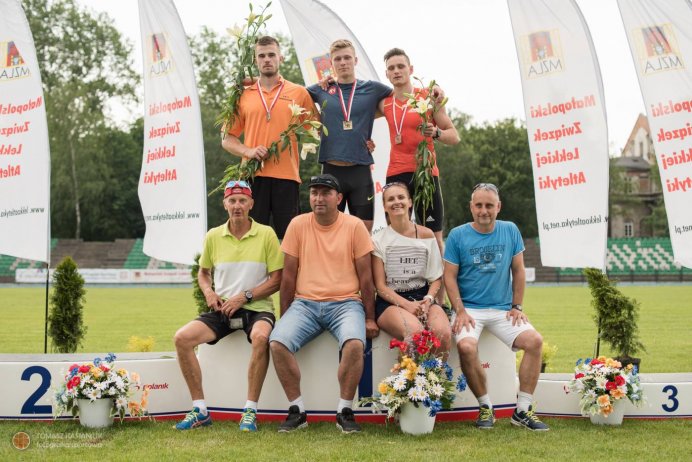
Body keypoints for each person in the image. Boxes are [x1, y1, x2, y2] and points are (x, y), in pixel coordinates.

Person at [269, 173, 378, 433]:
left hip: (346, 304)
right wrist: (285, 316)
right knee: (277, 342)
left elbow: (366, 278)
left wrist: (370, 317)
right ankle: (297, 410)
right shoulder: (297, 224)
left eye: (326, 192)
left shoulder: (354, 226)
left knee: (354, 344)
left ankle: (344, 410)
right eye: (314, 192)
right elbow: (288, 277)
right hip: (304, 304)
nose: (319, 198)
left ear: (339, 198)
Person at [173, 180, 283, 432]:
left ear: (251, 204)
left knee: (261, 338)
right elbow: (203, 273)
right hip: (222, 309)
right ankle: (200, 409)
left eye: (242, 201)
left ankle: (250, 411)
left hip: (257, 308)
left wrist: (244, 297)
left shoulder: (266, 234)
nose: (237, 206)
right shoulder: (213, 235)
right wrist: (209, 292)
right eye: (232, 201)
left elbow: (277, 280)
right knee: (181, 338)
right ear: (224, 204)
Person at [443, 183, 549, 431]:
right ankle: (485, 406)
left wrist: (517, 306)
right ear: (471, 207)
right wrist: (459, 310)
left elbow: (518, 271)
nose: (484, 211)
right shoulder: (458, 235)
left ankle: (522, 410)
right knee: (466, 347)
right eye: (478, 205)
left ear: (498, 207)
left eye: (489, 205)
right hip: (469, 310)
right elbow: (449, 277)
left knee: (534, 341)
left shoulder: (510, 230)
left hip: (503, 310)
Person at [222, 35, 317, 239]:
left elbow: (316, 128)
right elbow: (227, 138)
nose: (267, 59)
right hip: (253, 176)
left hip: (287, 177)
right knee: (252, 238)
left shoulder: (299, 92)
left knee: (290, 240)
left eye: (271, 55)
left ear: (280, 58)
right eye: (262, 55)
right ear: (255, 61)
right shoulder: (243, 94)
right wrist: (248, 151)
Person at [379, 47, 459, 261]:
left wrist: (436, 132)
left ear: (410, 69)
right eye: (391, 68)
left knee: (432, 235)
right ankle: (397, 289)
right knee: (395, 234)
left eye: (400, 66)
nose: (396, 71)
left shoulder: (429, 98)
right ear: (386, 74)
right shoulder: (384, 102)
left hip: (425, 173)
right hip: (396, 174)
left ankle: (439, 295)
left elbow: (454, 136)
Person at [307, 39, 392, 233]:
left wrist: (432, 92)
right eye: (338, 59)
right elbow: (293, 95)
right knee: (328, 230)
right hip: (331, 169)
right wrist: (317, 120)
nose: (343, 62)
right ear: (331, 64)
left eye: (347, 58)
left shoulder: (372, 89)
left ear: (355, 60)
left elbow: (402, 95)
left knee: (363, 232)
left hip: (360, 170)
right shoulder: (321, 89)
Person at [372, 182, 450, 354]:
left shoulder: (426, 234)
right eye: (390, 199)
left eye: (401, 197)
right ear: (384, 206)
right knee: (415, 333)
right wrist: (407, 305)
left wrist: (428, 299)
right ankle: (409, 381)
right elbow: (380, 286)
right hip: (391, 302)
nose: (396, 202)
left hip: (423, 298)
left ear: (410, 202)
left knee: (442, 334)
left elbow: (436, 277)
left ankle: (433, 380)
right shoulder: (378, 240)